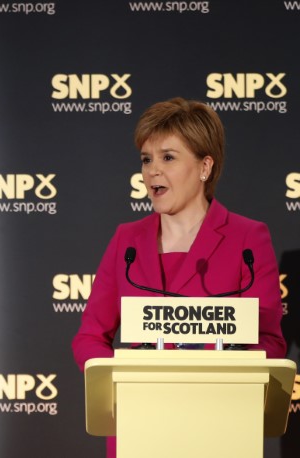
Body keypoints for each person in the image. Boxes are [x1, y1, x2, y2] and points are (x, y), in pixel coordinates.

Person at [72, 97, 286, 457]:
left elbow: (269, 342)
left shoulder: (247, 238)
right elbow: (90, 337)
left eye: (168, 157)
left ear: (205, 166)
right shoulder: (128, 239)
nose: (152, 170)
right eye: (146, 159)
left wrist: (220, 385)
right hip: (138, 426)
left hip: (219, 427)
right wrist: (119, 386)